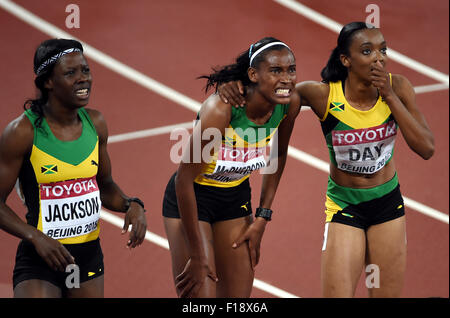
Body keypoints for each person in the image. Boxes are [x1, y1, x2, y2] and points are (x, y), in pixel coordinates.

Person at [217, 22, 434, 297]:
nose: (378, 58)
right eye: (367, 51)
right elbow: (276, 90)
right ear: (346, 60)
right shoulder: (323, 95)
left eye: (383, 50)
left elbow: (426, 148)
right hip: (345, 207)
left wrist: (389, 96)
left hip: (387, 205)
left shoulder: (398, 87)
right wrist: (234, 85)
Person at [0, 39, 147, 298]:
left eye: (86, 70)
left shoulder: (96, 123)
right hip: (41, 259)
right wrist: (35, 237)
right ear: (48, 82)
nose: (83, 79)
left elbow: (105, 185)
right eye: (71, 73)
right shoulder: (22, 132)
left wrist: (131, 204)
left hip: (87, 259)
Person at [162, 37, 301, 298]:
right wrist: (197, 253)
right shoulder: (221, 111)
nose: (287, 79)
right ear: (253, 74)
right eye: (275, 71)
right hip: (193, 199)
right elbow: (184, 181)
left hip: (234, 198)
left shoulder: (288, 104)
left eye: (291, 70)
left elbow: (278, 154)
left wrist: (263, 216)